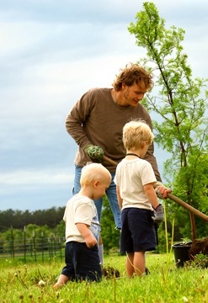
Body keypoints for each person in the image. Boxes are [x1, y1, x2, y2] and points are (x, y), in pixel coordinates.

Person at [65, 63, 171, 263]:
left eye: (144, 94)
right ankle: (93, 266)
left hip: (121, 172)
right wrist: (87, 146)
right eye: (137, 92)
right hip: (89, 169)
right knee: (86, 219)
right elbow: (71, 122)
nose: (140, 97)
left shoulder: (141, 115)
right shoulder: (94, 97)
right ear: (123, 85)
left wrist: (155, 182)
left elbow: (147, 153)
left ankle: (136, 266)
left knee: (128, 219)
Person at [114, 120, 164, 277]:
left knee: (129, 250)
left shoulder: (120, 165)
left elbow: (118, 190)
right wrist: (158, 207)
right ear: (144, 144)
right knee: (139, 249)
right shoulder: (143, 165)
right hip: (140, 211)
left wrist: (122, 209)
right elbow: (149, 189)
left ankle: (130, 278)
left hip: (126, 212)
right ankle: (140, 278)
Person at [53, 163, 112, 289]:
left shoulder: (72, 201)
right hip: (84, 244)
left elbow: (67, 220)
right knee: (92, 271)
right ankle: (90, 288)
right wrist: (88, 236)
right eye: (105, 189)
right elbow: (80, 222)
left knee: (69, 268)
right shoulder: (86, 203)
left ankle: (59, 284)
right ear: (96, 184)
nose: (104, 193)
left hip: (70, 243)